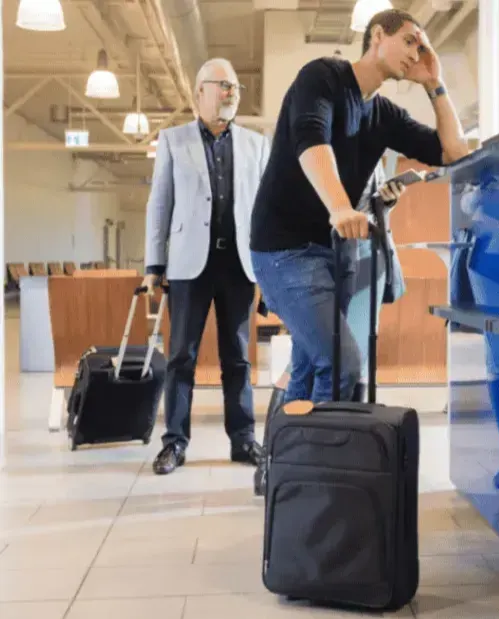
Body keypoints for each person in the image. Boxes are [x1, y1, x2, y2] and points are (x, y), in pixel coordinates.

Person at [249, 8, 470, 405]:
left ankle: (280, 464)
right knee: (342, 364)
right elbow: (310, 140)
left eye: (421, 46)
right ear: (376, 37)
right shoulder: (322, 77)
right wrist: (339, 207)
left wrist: (435, 84)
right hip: (285, 250)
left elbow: (452, 153)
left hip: (333, 251)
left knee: (307, 367)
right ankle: (312, 463)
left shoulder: (383, 114)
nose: (415, 52)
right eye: (408, 40)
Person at [143, 58, 270, 475]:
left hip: (238, 264)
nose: (231, 92)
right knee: (181, 357)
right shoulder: (173, 140)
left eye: (236, 86)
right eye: (223, 85)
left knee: (238, 357)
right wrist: (153, 263)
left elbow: (265, 209)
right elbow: (159, 204)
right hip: (186, 266)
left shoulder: (256, 144)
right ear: (200, 92)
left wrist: (269, 265)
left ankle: (244, 439)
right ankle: (175, 443)